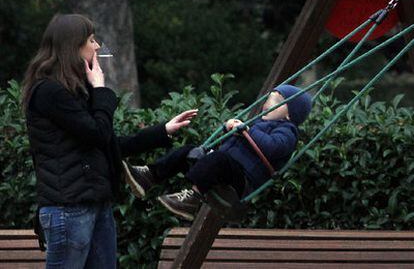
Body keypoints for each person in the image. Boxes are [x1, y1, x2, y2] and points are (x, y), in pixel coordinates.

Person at [22, 14, 197, 268]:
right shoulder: (49, 92)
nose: (97, 46)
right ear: (73, 46)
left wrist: (163, 130)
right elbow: (98, 133)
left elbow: (105, 142)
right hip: (69, 209)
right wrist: (101, 90)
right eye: (91, 40)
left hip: (95, 204)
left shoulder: (73, 91)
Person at [123, 84, 312, 221]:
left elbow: (272, 147)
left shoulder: (288, 131)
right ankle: (150, 175)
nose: (269, 102)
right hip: (226, 168)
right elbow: (235, 144)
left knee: (219, 159)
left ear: (289, 115)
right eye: (270, 97)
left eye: (277, 101)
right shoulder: (259, 124)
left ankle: (192, 198)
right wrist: (229, 129)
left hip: (241, 180)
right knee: (189, 151)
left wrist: (246, 129)